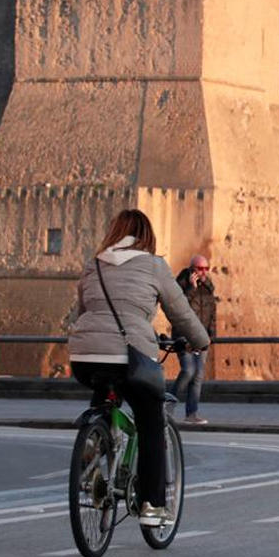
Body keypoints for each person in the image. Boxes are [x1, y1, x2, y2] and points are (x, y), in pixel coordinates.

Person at [68, 210, 209, 525]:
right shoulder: (154, 265)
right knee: (150, 419)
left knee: (104, 392)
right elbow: (180, 312)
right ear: (147, 237)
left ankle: (93, 450)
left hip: (84, 357)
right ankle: (152, 506)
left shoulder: (94, 265)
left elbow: (82, 311)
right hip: (130, 356)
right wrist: (201, 341)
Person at [171, 254, 216, 425]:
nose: (204, 272)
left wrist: (211, 335)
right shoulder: (181, 285)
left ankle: (191, 413)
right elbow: (179, 309)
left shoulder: (209, 286)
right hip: (184, 336)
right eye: (200, 268)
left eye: (206, 268)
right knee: (188, 371)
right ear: (192, 269)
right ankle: (167, 405)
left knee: (198, 376)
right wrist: (191, 289)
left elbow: (212, 312)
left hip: (201, 337)